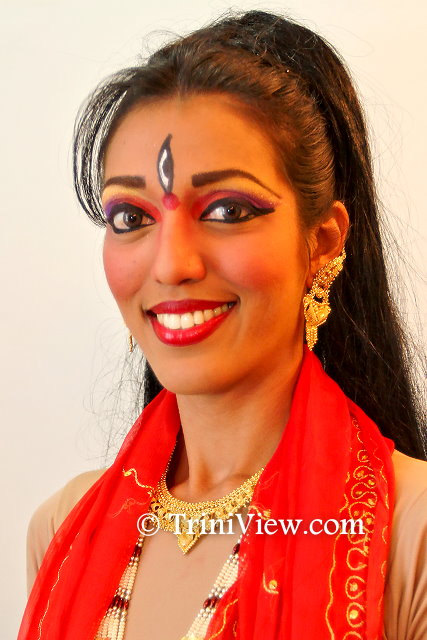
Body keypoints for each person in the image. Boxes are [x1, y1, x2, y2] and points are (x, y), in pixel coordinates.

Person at [18, 9, 426, 640]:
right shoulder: (63, 529)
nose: (171, 264)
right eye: (132, 218)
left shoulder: (411, 533)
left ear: (322, 242)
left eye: (228, 210)